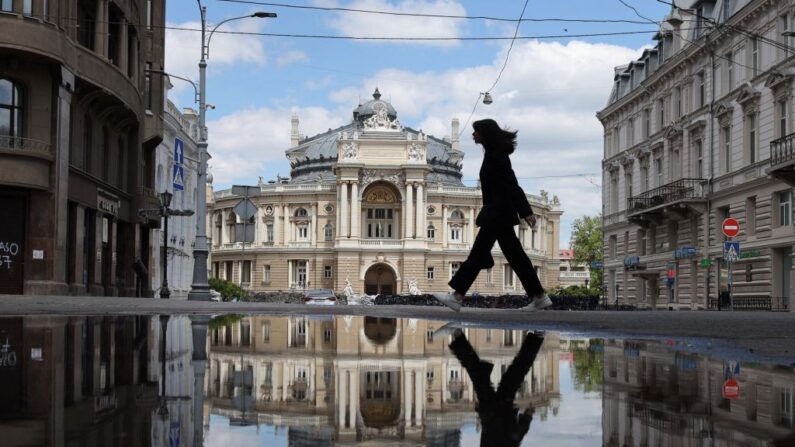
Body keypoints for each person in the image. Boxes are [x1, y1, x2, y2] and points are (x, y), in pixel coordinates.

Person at [433, 118, 552, 312]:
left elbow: (512, 184)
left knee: (487, 254)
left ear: (485, 133)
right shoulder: (492, 154)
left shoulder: (497, 156)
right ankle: (538, 296)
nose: (473, 134)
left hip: (498, 213)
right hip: (497, 213)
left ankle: (457, 296)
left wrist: (526, 211)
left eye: (476, 131)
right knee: (512, 256)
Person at [449, 328, 543, 446]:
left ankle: (536, 338)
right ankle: (459, 338)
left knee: (516, 372)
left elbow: (517, 436)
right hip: (492, 414)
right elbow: (515, 437)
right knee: (481, 376)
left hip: (502, 414)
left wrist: (527, 416)